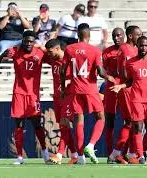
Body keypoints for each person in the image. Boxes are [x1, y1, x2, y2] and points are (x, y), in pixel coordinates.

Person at [60, 23, 115, 164]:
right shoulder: (95, 50)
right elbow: (100, 71)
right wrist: (108, 77)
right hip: (90, 90)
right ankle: (90, 145)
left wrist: (63, 87)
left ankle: (80, 157)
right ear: (88, 35)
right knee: (101, 117)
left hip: (74, 90)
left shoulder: (69, 49)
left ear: (78, 35)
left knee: (79, 121)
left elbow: (62, 70)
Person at [0, 30, 48, 165]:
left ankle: (46, 154)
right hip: (19, 93)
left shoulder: (40, 53)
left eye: (31, 41)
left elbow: (55, 59)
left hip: (33, 95)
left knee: (37, 125)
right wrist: (2, 55)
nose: (29, 43)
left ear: (34, 41)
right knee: (19, 125)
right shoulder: (15, 50)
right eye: (26, 41)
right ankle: (19, 157)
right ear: (23, 40)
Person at [111, 36, 147, 164]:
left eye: (145, 45)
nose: (143, 48)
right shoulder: (130, 63)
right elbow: (129, 81)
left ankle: (140, 152)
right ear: (137, 46)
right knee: (137, 127)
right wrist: (121, 86)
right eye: (141, 45)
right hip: (136, 99)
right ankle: (140, 156)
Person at [108, 25, 142, 164]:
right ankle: (117, 154)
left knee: (134, 123)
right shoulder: (124, 49)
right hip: (126, 88)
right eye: (138, 34)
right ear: (130, 36)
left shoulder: (136, 49)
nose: (140, 36)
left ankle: (123, 154)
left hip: (136, 88)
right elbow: (121, 71)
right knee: (130, 121)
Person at [42, 39, 79, 165]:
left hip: (69, 97)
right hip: (57, 98)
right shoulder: (52, 60)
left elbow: (78, 78)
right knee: (65, 128)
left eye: (51, 51)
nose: (49, 54)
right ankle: (75, 155)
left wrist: (67, 83)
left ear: (58, 49)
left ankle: (59, 154)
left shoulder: (70, 61)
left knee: (64, 124)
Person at [102, 27, 125, 157]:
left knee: (129, 121)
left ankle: (125, 152)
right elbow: (102, 70)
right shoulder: (107, 52)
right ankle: (110, 153)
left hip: (125, 89)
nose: (116, 38)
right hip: (111, 90)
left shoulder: (129, 50)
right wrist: (108, 77)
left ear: (124, 36)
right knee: (109, 122)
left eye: (118, 35)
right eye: (114, 36)